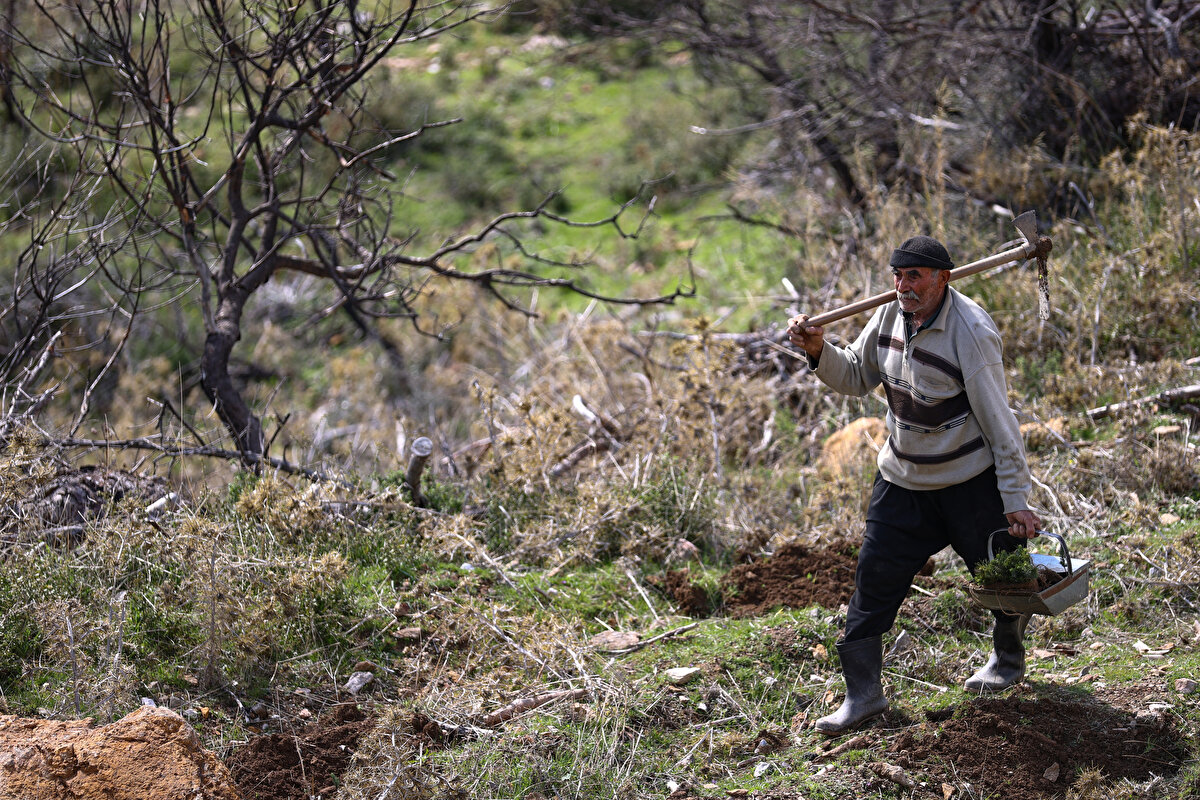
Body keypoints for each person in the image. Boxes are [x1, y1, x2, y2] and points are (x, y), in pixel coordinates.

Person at [787, 234, 1041, 735]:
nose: (904, 286)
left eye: (915, 277)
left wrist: (1015, 498)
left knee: (1003, 577)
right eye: (898, 277)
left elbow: (1001, 421)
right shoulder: (887, 316)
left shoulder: (971, 332)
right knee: (872, 584)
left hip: (969, 482)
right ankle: (863, 698)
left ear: (942, 278)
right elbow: (857, 375)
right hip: (902, 481)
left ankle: (1008, 663)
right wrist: (818, 350)